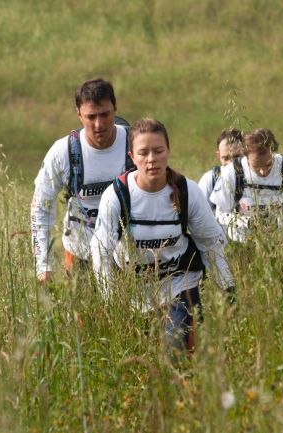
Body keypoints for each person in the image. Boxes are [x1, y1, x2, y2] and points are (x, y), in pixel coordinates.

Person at [90, 118, 235, 353]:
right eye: (143, 152)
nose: (151, 159)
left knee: (175, 350)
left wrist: (227, 288)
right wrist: (112, 304)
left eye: (158, 151)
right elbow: (101, 253)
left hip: (180, 283)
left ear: (168, 151)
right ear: (132, 156)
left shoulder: (188, 191)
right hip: (133, 293)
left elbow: (210, 243)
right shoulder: (117, 195)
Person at [30, 78, 135, 282]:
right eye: (90, 116)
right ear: (79, 114)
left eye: (105, 114)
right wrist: (44, 264)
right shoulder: (63, 152)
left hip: (128, 254)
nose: (99, 124)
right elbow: (41, 206)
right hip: (81, 253)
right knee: (84, 314)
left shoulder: (135, 144)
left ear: (115, 108)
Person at [209, 128, 283, 243]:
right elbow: (220, 215)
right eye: (256, 167)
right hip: (243, 242)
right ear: (246, 157)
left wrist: (279, 223)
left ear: (273, 153)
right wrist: (247, 222)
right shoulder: (232, 172)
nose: (263, 172)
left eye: (268, 165)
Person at [197, 128, 244, 210]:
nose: (231, 164)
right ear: (218, 156)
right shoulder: (209, 180)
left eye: (236, 157)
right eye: (226, 158)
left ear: (246, 153)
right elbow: (199, 216)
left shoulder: (256, 179)